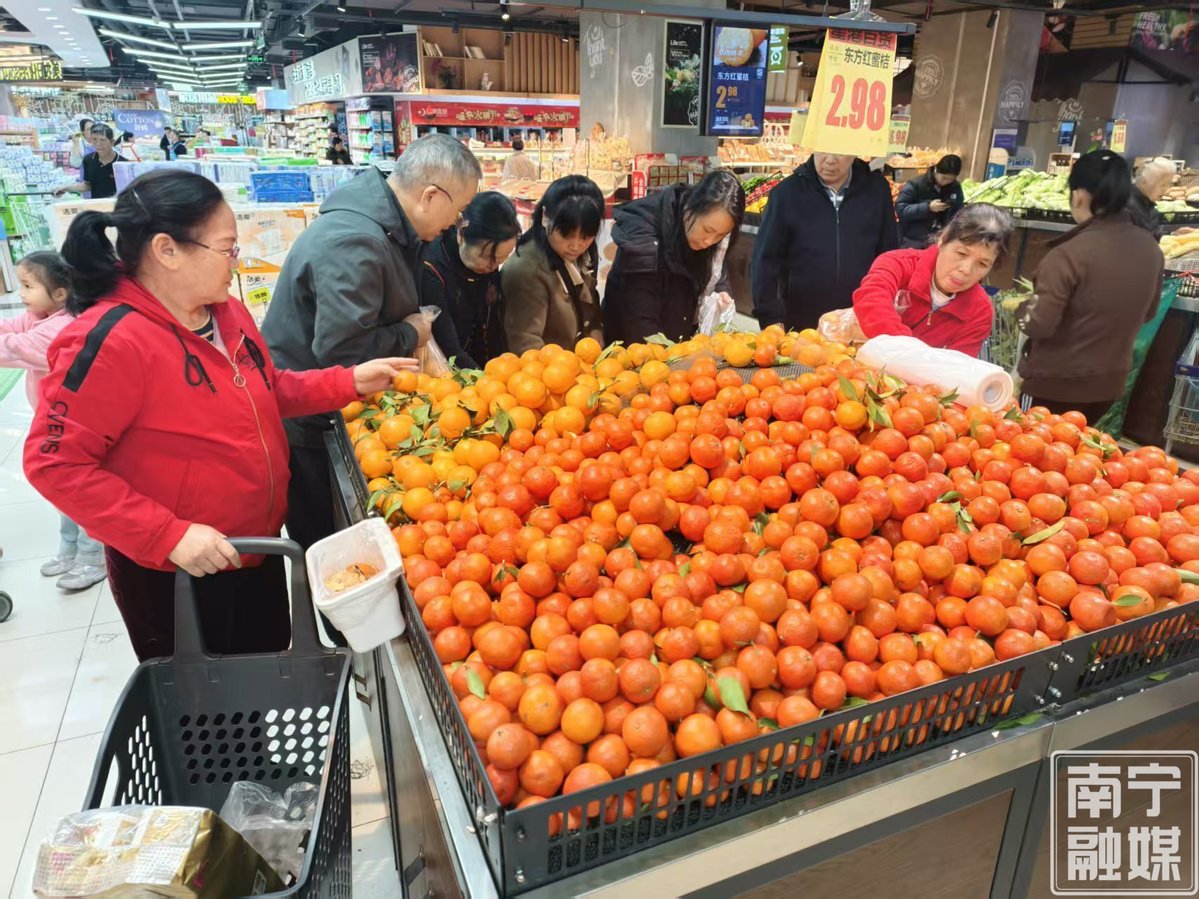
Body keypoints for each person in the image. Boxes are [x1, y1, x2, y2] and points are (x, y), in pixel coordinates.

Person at [23, 170, 414, 662]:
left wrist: (347, 382)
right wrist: (167, 535)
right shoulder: (110, 340)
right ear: (167, 250)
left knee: (259, 679)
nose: (236, 262)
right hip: (177, 573)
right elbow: (54, 463)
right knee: (203, 706)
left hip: (254, 549)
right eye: (227, 249)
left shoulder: (225, 312)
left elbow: (266, 389)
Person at [263, 133, 480, 571]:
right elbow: (341, 353)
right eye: (458, 211)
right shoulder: (355, 241)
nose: (457, 223)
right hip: (311, 418)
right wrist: (409, 332)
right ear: (430, 196)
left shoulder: (384, 225)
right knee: (332, 552)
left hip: (335, 409)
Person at [1018, 150, 1165, 422]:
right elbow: (1148, 313)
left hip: (1054, 384)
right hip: (1108, 386)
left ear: (1079, 195)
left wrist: (1022, 308)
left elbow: (1039, 324)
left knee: (1034, 444)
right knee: (1076, 445)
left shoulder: (1068, 254)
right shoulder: (1151, 249)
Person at [3, 253, 105, 591]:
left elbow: (13, 347)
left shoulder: (62, 328)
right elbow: (10, 328)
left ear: (60, 293)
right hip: (53, 422)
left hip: (76, 425)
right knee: (61, 491)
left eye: (28, 286)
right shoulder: (40, 315)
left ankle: (93, 556)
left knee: (77, 490)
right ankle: (70, 548)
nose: (21, 293)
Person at [752, 152, 898, 332]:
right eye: (824, 151)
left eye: (839, 153)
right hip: (802, 323)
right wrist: (771, 318)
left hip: (861, 319)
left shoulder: (876, 190)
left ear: (854, 152)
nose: (830, 160)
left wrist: (887, 307)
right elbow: (765, 260)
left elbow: (889, 253)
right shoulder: (787, 193)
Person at [603, 170, 745, 346]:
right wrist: (666, 357)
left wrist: (721, 289)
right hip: (632, 348)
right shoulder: (644, 241)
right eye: (707, 230)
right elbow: (639, 321)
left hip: (675, 341)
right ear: (691, 207)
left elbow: (717, 265)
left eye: (720, 235)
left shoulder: (706, 237)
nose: (709, 241)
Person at [853, 203, 1014, 357]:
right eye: (961, 253)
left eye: (982, 264)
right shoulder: (898, 263)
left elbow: (955, 365)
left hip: (920, 376)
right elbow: (871, 298)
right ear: (943, 239)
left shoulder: (980, 312)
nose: (966, 270)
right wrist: (909, 350)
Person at [502, 175, 605, 353]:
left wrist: (596, 334)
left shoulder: (573, 254)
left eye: (586, 236)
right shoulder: (527, 271)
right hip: (551, 367)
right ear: (544, 217)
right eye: (566, 235)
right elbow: (526, 346)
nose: (576, 246)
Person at [419, 191, 520, 369]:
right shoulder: (432, 268)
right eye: (486, 256)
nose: (492, 266)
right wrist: (486, 380)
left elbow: (490, 327)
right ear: (461, 235)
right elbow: (448, 348)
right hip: (445, 373)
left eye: (501, 259)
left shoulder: (488, 263)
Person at [895, 154, 965, 249]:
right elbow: (901, 209)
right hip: (913, 239)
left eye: (950, 179)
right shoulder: (915, 184)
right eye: (944, 178)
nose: (946, 182)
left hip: (940, 239)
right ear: (936, 171)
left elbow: (959, 209)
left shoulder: (955, 187)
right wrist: (928, 207)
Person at [53, 125, 126, 200]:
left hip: (118, 206)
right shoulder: (88, 160)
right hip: (96, 205)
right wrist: (64, 188)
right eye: (94, 139)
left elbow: (127, 191)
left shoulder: (123, 163)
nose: (98, 143)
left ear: (112, 142)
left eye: (102, 140)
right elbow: (87, 185)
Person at [1128, 157, 1175, 238]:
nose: (1166, 190)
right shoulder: (1126, 206)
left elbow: (1151, 235)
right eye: (1162, 185)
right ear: (1144, 182)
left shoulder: (1149, 205)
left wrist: (1173, 235)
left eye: (1168, 184)